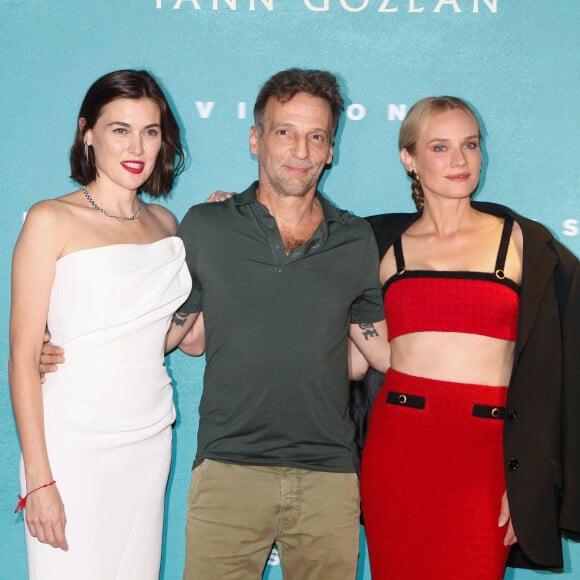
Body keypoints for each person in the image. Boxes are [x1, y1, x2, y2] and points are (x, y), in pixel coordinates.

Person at [172, 68, 389, 579]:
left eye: (317, 136)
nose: (301, 150)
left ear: (331, 149)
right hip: (228, 471)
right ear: (256, 139)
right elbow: (174, 334)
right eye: (284, 131)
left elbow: (381, 350)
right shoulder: (206, 226)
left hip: (329, 480)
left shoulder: (355, 238)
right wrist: (64, 343)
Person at [355, 96, 580, 579]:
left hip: (486, 457)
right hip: (398, 451)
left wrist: (532, 481)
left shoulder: (525, 244)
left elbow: (556, 370)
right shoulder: (380, 246)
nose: (459, 160)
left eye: (470, 145)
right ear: (409, 159)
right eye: (440, 147)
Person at [9, 69, 195, 579]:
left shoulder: (165, 226)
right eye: (120, 129)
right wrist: (40, 481)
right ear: (87, 133)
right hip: (73, 443)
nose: (137, 145)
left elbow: (161, 340)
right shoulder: (50, 220)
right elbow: (24, 356)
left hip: (149, 437)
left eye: (150, 131)